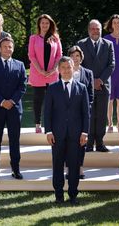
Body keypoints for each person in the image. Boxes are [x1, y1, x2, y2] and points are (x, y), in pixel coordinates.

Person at [44, 56, 90, 205]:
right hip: (57, 134)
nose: (66, 70)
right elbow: (48, 113)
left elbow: (86, 113)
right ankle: (58, 195)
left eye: (68, 67)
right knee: (57, 164)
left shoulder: (81, 88)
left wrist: (85, 132)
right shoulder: (52, 88)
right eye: (63, 68)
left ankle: (73, 195)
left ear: (73, 68)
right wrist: (49, 131)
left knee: (74, 165)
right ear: (58, 70)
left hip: (76, 135)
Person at [0, 37, 27, 180]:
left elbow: (22, 86)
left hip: (14, 109)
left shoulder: (20, 65)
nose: (7, 49)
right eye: (4, 46)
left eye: (10, 47)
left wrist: (12, 101)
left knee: (14, 140)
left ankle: (16, 169)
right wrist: (2, 101)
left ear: (13, 48)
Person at [77, 19, 114, 153]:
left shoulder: (108, 44)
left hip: (104, 86)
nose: (95, 31)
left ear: (101, 30)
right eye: (92, 28)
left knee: (102, 115)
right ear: (88, 30)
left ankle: (100, 143)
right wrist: (92, 81)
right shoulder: (81, 44)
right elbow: (78, 64)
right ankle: (88, 143)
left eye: (97, 28)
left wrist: (100, 80)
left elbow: (111, 65)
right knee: (89, 114)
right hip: (87, 86)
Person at [28, 14, 62, 133]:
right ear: (39, 24)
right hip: (38, 74)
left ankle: (52, 124)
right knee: (38, 100)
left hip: (52, 74)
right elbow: (31, 56)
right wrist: (40, 70)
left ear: (50, 24)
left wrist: (53, 69)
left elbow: (59, 55)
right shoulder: (33, 38)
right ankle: (38, 124)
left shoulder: (55, 38)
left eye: (47, 23)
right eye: (42, 23)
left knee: (53, 101)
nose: (44, 25)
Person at [66, 45, 94, 179]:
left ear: (81, 58)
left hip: (82, 114)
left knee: (81, 142)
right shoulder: (64, 72)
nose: (75, 58)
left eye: (77, 56)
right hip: (66, 114)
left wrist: (84, 108)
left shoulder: (88, 73)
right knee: (66, 141)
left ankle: (80, 168)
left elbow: (91, 95)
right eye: (72, 55)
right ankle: (68, 169)